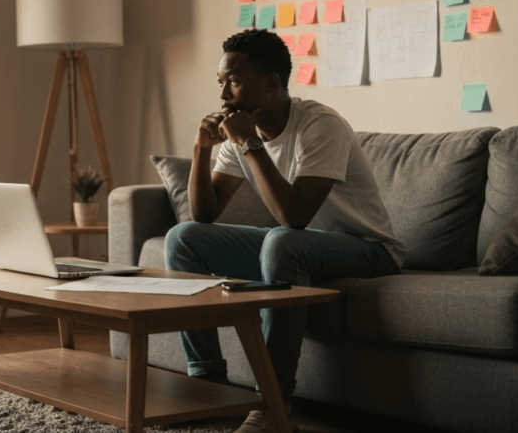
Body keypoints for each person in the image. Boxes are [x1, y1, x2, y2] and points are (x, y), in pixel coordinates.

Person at [165, 29, 406, 433]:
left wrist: (250, 146)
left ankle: (273, 407)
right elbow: (203, 214)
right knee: (183, 238)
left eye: (235, 83)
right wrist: (200, 149)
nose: (224, 96)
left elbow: (294, 217)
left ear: (271, 84)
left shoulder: (320, 126)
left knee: (282, 241)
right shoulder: (238, 130)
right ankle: (209, 390)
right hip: (298, 247)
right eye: (221, 83)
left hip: (369, 251)